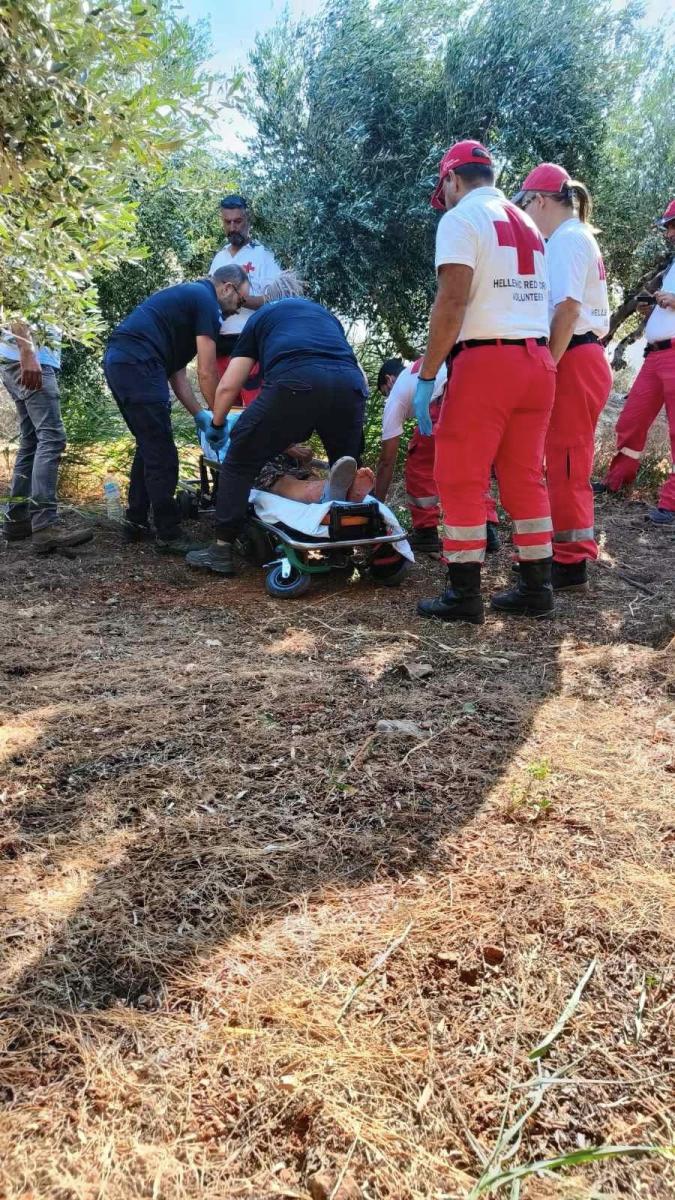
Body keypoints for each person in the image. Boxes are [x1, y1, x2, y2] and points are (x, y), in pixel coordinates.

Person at [414, 139, 556, 624]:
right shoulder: (529, 222)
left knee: (459, 475)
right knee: (523, 476)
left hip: (486, 363)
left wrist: (427, 374)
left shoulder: (460, 220)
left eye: (444, 188)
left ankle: (463, 593)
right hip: (536, 362)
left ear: (452, 179)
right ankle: (538, 587)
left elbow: (451, 302)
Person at [185, 285, 368, 576]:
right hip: (351, 386)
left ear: (268, 300)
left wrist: (218, 424)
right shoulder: (324, 315)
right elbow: (353, 368)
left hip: (296, 381)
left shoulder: (262, 317)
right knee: (345, 462)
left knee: (240, 458)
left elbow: (230, 385)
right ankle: (343, 546)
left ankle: (221, 549)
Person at [512, 163, 612, 589]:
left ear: (538, 200)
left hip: (574, 357)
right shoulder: (575, 238)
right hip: (580, 357)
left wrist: (547, 364)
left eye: (525, 206)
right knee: (564, 458)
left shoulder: (568, 240)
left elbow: (568, 309)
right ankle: (563, 551)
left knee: (568, 461)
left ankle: (570, 561)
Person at [103, 265, 250, 552]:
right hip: (139, 362)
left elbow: (178, 372)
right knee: (162, 453)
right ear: (228, 288)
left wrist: (200, 415)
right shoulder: (207, 301)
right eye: (241, 301)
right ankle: (168, 534)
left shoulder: (189, 300)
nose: (238, 309)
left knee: (149, 445)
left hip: (123, 360)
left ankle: (135, 521)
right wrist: (220, 419)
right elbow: (207, 372)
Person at [596, 198, 675, 525]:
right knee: (630, 419)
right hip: (656, 357)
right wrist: (652, 306)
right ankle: (618, 480)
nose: (669, 233)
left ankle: (671, 503)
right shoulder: (671, 266)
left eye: (672, 226)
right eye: (669, 227)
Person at [374, 356, 502, 556]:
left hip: (442, 402)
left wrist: (376, 505)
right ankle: (487, 527)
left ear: (389, 380)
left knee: (420, 464)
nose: (387, 396)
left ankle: (426, 532)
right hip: (477, 396)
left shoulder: (396, 392)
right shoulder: (423, 365)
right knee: (473, 463)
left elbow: (386, 460)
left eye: (384, 392)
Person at [0, 319, 92, 553]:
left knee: (31, 440)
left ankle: (17, 519)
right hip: (27, 357)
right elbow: (18, 308)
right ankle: (44, 525)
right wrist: (28, 350)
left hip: (13, 357)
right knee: (52, 438)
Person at [209, 194, 281, 380]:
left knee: (252, 406)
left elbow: (274, 301)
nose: (233, 227)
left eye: (238, 221)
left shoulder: (264, 255)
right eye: (227, 222)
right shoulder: (219, 258)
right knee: (225, 404)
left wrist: (236, 299)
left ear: (247, 220)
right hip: (221, 342)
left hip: (252, 341)